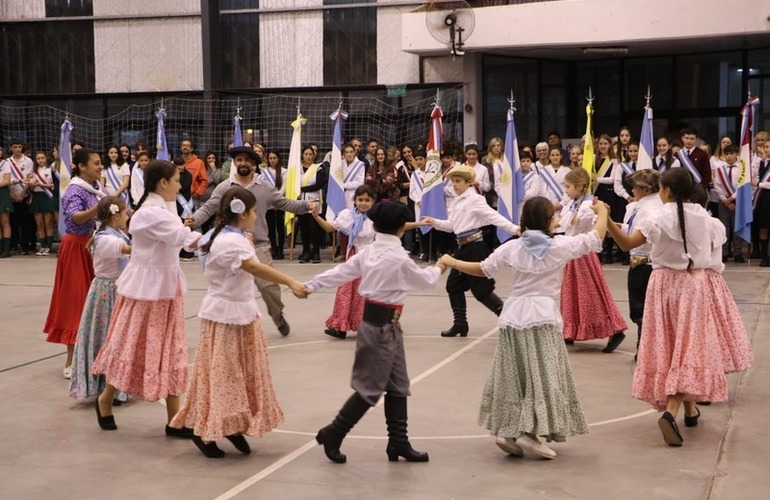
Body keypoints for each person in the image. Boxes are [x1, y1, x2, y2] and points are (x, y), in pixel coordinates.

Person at [438, 197, 609, 459]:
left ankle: (509, 430)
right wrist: (603, 212)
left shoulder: (513, 248)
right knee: (542, 375)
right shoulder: (559, 245)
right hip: (541, 315)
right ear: (546, 221)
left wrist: (452, 261)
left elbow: (483, 269)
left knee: (513, 375)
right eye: (553, 215)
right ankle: (531, 434)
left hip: (513, 316)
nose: (557, 219)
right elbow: (595, 238)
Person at [305, 201, 449, 464]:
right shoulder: (396, 257)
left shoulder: (370, 252)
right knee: (369, 389)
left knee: (398, 385)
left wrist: (310, 285)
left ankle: (398, 442)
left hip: (387, 325)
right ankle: (333, 432)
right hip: (381, 327)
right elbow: (425, 280)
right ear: (401, 227)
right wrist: (440, 265)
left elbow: (340, 272)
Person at [170, 186, 308, 458]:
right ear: (241, 212)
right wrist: (291, 280)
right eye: (254, 211)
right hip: (227, 316)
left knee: (238, 373)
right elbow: (254, 267)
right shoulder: (229, 242)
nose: (256, 216)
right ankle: (206, 431)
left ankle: (231, 424)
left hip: (238, 312)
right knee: (225, 374)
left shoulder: (222, 235)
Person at [605, 168, 738, 446]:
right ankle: (690, 409)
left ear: (666, 191)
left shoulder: (658, 217)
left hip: (664, 284)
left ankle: (671, 410)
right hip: (695, 285)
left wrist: (605, 220)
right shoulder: (706, 218)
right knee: (688, 346)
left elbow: (628, 243)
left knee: (669, 346)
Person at [91, 160, 201, 435]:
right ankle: (105, 399)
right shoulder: (152, 213)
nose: (179, 185)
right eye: (176, 180)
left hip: (164, 288)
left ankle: (174, 418)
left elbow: (179, 236)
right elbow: (183, 238)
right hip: (146, 292)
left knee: (170, 350)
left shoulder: (161, 209)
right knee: (133, 346)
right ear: (163, 183)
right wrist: (223, 239)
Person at [187, 146, 317, 337]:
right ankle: (230, 323)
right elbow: (208, 208)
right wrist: (193, 221)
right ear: (235, 163)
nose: (243, 163)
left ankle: (277, 314)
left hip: (258, 245)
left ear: (254, 165)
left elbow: (285, 203)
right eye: (239, 160)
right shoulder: (224, 187)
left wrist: (307, 205)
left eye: (247, 161)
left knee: (267, 285)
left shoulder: (264, 188)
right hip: (230, 244)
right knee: (230, 287)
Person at [420, 165, 519, 337]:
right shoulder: (457, 202)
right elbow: (451, 226)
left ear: (468, 182)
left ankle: (508, 319)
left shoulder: (475, 199)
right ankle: (460, 324)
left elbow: (493, 217)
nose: (454, 186)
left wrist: (515, 229)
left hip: (475, 248)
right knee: (453, 286)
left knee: (481, 291)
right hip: (462, 248)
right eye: (452, 182)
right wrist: (433, 221)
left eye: (458, 182)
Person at [44, 148, 104, 378]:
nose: (100, 166)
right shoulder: (74, 189)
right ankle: (71, 361)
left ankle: (92, 355)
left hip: (93, 248)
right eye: (96, 163)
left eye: (100, 163)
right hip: (76, 248)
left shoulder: (97, 188)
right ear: (81, 166)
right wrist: (97, 209)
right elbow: (74, 217)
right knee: (75, 301)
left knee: (93, 302)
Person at [558, 168, 628, 351]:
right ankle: (570, 329)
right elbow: (561, 224)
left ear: (580, 187)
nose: (566, 190)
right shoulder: (573, 204)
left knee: (590, 295)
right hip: (572, 254)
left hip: (583, 255)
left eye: (568, 187)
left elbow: (599, 226)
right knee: (571, 293)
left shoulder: (589, 206)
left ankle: (614, 329)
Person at [69, 196, 131, 400]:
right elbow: (134, 251)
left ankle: (113, 385)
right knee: (107, 337)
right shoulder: (107, 239)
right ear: (115, 215)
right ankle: (106, 385)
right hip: (108, 292)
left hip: (114, 289)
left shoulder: (114, 234)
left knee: (113, 337)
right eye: (125, 213)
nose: (127, 216)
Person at [312, 184, 376, 340]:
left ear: (373, 201)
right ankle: (340, 326)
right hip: (353, 256)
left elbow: (393, 229)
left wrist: (419, 224)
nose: (363, 203)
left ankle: (366, 326)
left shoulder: (376, 218)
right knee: (345, 291)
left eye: (367, 200)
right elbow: (329, 228)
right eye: (360, 199)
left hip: (369, 258)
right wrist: (316, 216)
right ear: (354, 200)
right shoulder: (348, 215)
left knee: (365, 293)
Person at [617, 169, 663, 360]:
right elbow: (630, 230)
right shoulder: (638, 206)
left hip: (647, 262)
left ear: (644, 188)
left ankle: (645, 349)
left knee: (643, 309)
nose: (632, 190)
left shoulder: (651, 208)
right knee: (641, 308)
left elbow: (634, 239)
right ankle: (646, 347)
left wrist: (610, 225)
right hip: (638, 261)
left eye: (635, 186)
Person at [712, 145, 747, 262]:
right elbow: (717, 186)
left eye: (731, 154)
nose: (728, 156)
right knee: (724, 227)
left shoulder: (742, 168)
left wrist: (732, 198)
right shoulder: (720, 169)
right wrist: (725, 200)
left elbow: (742, 185)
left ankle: (738, 252)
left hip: (738, 201)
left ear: (737, 154)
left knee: (737, 227)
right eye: (726, 154)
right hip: (723, 202)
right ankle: (724, 251)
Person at [297, 145, 327, 263]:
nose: (308, 156)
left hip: (314, 202)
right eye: (306, 154)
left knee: (313, 228)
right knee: (303, 228)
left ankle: (316, 252)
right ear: (302, 155)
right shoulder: (297, 168)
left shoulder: (318, 167)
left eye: (310, 154)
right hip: (300, 202)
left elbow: (319, 184)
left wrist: (304, 189)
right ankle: (305, 252)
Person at [6, 138, 35, 254]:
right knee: (12, 221)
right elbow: (6, 178)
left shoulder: (28, 161)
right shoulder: (7, 162)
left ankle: (25, 245)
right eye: (15, 147)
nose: (18, 149)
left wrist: (22, 194)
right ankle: (14, 244)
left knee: (25, 222)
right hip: (11, 195)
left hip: (24, 194)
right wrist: (11, 194)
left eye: (19, 147)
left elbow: (30, 178)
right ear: (11, 148)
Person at [28, 150, 57, 255]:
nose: (41, 160)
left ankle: (49, 247)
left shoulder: (50, 170)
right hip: (37, 197)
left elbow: (53, 185)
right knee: (39, 224)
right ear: (36, 160)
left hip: (47, 197)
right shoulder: (33, 172)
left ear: (46, 159)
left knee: (48, 223)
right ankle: (42, 246)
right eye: (38, 158)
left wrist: (40, 184)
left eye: (42, 158)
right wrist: (31, 184)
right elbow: (31, 188)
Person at [261, 149, 288, 260]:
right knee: (270, 228)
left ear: (278, 159)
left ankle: (281, 249)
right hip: (268, 204)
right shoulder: (263, 172)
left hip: (280, 202)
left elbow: (283, 188)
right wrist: (270, 200)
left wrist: (276, 199)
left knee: (280, 227)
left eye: (274, 158)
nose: (272, 160)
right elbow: (263, 187)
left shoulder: (284, 171)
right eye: (270, 158)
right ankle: (273, 248)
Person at [174, 156, 196, 261]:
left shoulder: (188, 175)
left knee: (188, 227)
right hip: (176, 204)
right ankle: (180, 251)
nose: (180, 167)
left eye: (181, 165)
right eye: (178, 165)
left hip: (186, 203)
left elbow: (183, 187)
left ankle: (188, 252)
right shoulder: (172, 175)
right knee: (179, 226)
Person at [753, 140, 770, 266]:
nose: (766, 149)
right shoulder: (762, 163)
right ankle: (764, 257)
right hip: (763, 199)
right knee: (763, 227)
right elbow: (756, 177)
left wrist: (759, 184)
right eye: (765, 147)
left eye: (768, 147)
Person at [180, 139, 208, 209]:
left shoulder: (199, 162)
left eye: (187, 146)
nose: (185, 147)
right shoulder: (177, 162)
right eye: (183, 145)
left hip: (193, 197)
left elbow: (204, 180)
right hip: (179, 196)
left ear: (192, 149)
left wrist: (198, 193)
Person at [0, 152, 13, 258]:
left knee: (5, 221)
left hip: (2, 193)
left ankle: (6, 249)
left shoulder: (5, 163)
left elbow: (7, 180)